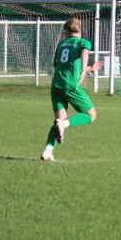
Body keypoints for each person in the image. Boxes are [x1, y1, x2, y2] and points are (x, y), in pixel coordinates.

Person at [41, 18, 103, 162]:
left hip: (56, 85)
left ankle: (48, 150)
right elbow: (84, 53)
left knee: (58, 120)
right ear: (79, 29)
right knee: (91, 115)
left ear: (66, 31)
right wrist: (83, 70)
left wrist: (88, 69)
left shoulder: (62, 44)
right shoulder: (83, 42)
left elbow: (65, 65)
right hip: (71, 86)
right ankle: (65, 124)